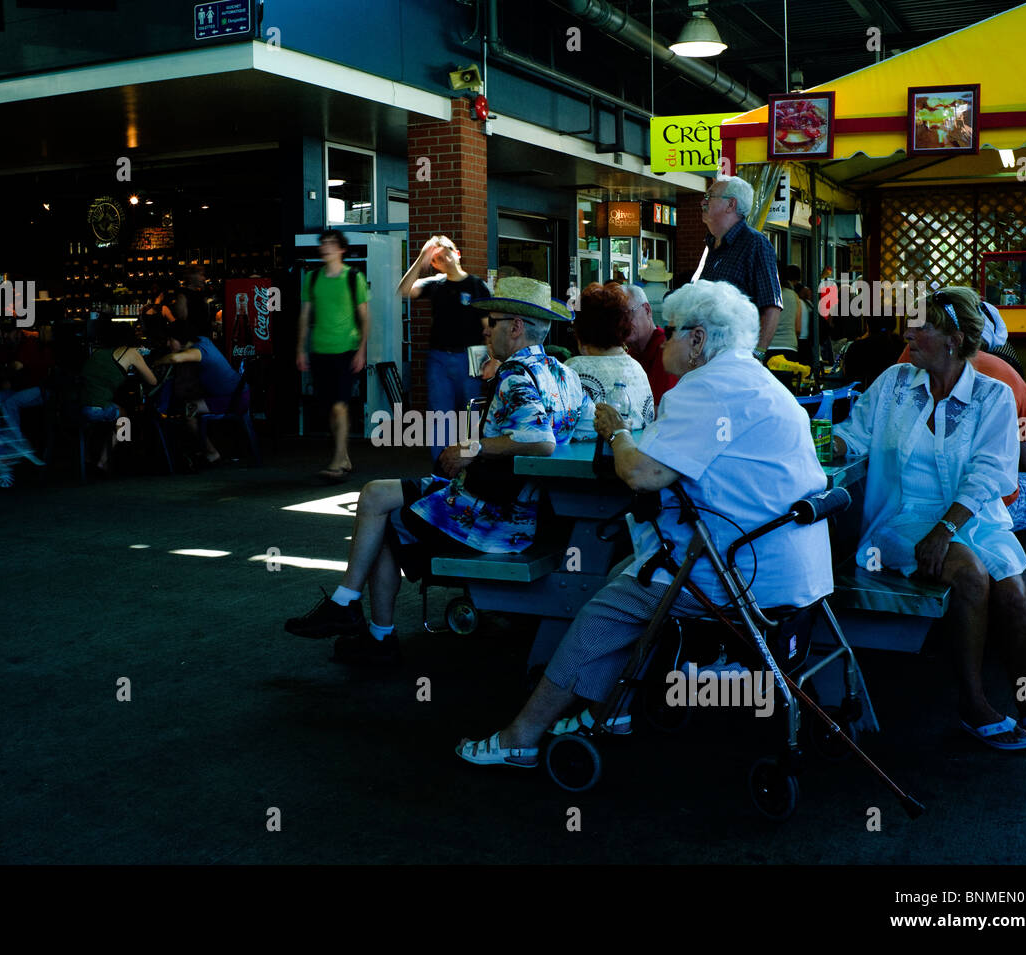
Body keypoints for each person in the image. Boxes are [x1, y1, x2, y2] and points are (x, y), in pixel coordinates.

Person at [454, 280, 832, 767]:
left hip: (738, 573)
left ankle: (519, 738)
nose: (661, 340)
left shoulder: (707, 389)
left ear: (697, 341)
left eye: (673, 332)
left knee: (602, 612)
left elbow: (642, 472)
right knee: (625, 580)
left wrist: (617, 435)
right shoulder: (754, 379)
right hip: (791, 564)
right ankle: (612, 710)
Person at [284, 277, 584, 666]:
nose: (483, 328)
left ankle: (378, 637)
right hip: (523, 505)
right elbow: (580, 431)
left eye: (491, 321)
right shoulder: (564, 374)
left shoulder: (515, 375)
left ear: (516, 327)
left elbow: (539, 439)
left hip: (495, 517)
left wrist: (473, 449)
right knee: (375, 492)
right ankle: (347, 604)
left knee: (385, 522)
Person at [833, 287, 1026, 750]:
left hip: (972, 518)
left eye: (921, 327)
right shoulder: (894, 383)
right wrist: (814, 440)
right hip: (901, 520)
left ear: (954, 338)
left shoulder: (992, 395)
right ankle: (972, 704)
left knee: (1015, 594)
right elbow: (852, 437)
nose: (907, 334)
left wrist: (945, 530)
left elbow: (987, 476)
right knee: (971, 576)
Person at [893, 340, 1026, 600]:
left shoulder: (906, 364)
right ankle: (1023, 593)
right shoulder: (1010, 377)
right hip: (981, 508)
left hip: (909, 503)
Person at [397, 234, 491, 461]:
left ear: (457, 253)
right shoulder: (435, 283)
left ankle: (471, 464)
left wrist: (492, 359)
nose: (443, 257)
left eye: (447, 251)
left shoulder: (477, 286)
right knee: (441, 416)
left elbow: (488, 326)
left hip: (471, 358)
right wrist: (421, 258)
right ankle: (441, 469)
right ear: (434, 264)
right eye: (437, 257)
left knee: (471, 415)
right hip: (439, 358)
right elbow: (404, 290)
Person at [297, 229, 369, 481]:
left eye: (331, 243)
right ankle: (344, 456)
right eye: (323, 243)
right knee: (330, 407)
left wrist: (362, 350)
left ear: (341, 249)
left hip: (345, 349)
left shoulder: (353, 277)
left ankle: (337, 462)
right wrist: (301, 350)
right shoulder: (313, 278)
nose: (325, 247)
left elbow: (364, 316)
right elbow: (305, 316)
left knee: (340, 406)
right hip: (319, 349)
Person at [693, 174, 783, 361]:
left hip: (736, 358)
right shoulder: (712, 245)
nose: (703, 202)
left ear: (730, 204)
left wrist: (757, 354)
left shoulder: (755, 244)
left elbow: (772, 305)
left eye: (709, 197)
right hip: (707, 357)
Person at [151, 314, 246, 468]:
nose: (168, 343)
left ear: (181, 338)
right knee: (189, 405)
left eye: (171, 339)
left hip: (232, 398)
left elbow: (175, 359)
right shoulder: (203, 341)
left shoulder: (198, 351)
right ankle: (202, 450)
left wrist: (156, 362)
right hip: (236, 394)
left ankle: (211, 453)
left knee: (188, 411)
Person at [566, 282, 654, 440]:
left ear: (581, 330)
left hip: (585, 461)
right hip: (633, 457)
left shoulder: (573, 369)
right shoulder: (637, 368)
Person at [77, 317, 158, 472]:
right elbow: (152, 381)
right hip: (96, 408)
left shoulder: (98, 352)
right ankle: (109, 458)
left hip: (78, 406)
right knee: (124, 418)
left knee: (112, 413)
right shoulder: (131, 352)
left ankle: (88, 457)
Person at [0, 318, 52, 440]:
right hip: (20, 388)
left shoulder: (29, 342)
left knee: (9, 404)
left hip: (39, 389)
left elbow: (17, 365)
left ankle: (16, 443)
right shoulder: (7, 345)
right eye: (4, 332)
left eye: (9, 332)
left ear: (17, 332)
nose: (6, 335)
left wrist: (4, 370)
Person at [616, 283, 677, 405]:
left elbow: (660, 410)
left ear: (647, 310)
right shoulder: (631, 353)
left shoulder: (666, 350)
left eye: (627, 314)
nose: (622, 324)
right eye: (617, 318)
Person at [842, 313, 905, 390]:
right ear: (893, 326)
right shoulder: (902, 347)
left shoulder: (857, 347)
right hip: (895, 396)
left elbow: (848, 376)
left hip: (862, 397)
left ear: (868, 326)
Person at [767, 262, 801, 361]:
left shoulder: (764, 295)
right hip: (789, 347)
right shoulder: (794, 296)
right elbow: (798, 328)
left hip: (766, 348)